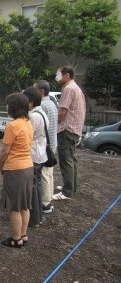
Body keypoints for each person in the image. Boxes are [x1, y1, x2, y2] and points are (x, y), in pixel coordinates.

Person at [0, 93, 33, 248]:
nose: (7, 107)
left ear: (13, 107)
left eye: (8, 104)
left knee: (14, 207)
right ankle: (23, 235)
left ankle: (16, 237)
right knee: (24, 204)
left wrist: (1, 166)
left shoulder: (12, 126)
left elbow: (5, 151)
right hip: (28, 167)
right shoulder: (28, 123)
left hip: (15, 169)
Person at [53, 66, 86, 200]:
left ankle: (67, 192)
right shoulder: (75, 88)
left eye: (58, 74)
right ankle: (72, 186)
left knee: (66, 159)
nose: (56, 77)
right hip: (74, 129)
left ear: (66, 75)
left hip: (67, 129)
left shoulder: (68, 88)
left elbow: (62, 112)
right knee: (71, 159)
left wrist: (54, 123)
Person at [23, 87, 48, 228]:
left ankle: (34, 218)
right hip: (41, 152)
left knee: (32, 186)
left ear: (31, 102)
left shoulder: (33, 117)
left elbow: (27, 135)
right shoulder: (42, 113)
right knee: (36, 185)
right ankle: (38, 216)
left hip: (33, 153)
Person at [33, 80, 58, 214]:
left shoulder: (43, 106)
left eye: (34, 89)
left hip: (45, 145)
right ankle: (48, 200)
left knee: (44, 174)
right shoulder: (52, 103)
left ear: (41, 91)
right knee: (48, 174)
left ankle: (45, 203)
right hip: (52, 143)